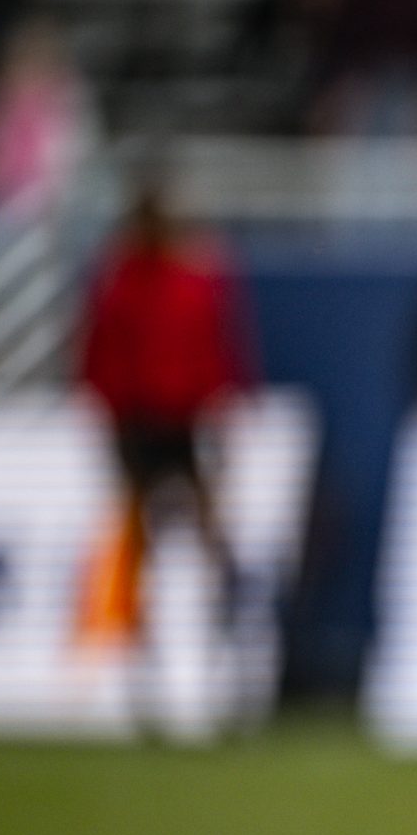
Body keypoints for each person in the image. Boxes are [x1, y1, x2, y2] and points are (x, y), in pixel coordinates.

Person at [78, 172, 255, 639]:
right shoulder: (126, 280)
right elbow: (103, 352)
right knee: (139, 529)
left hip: (181, 419)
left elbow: (217, 345)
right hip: (142, 420)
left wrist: (224, 398)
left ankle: (223, 607)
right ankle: (135, 620)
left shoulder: (189, 279)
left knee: (202, 522)